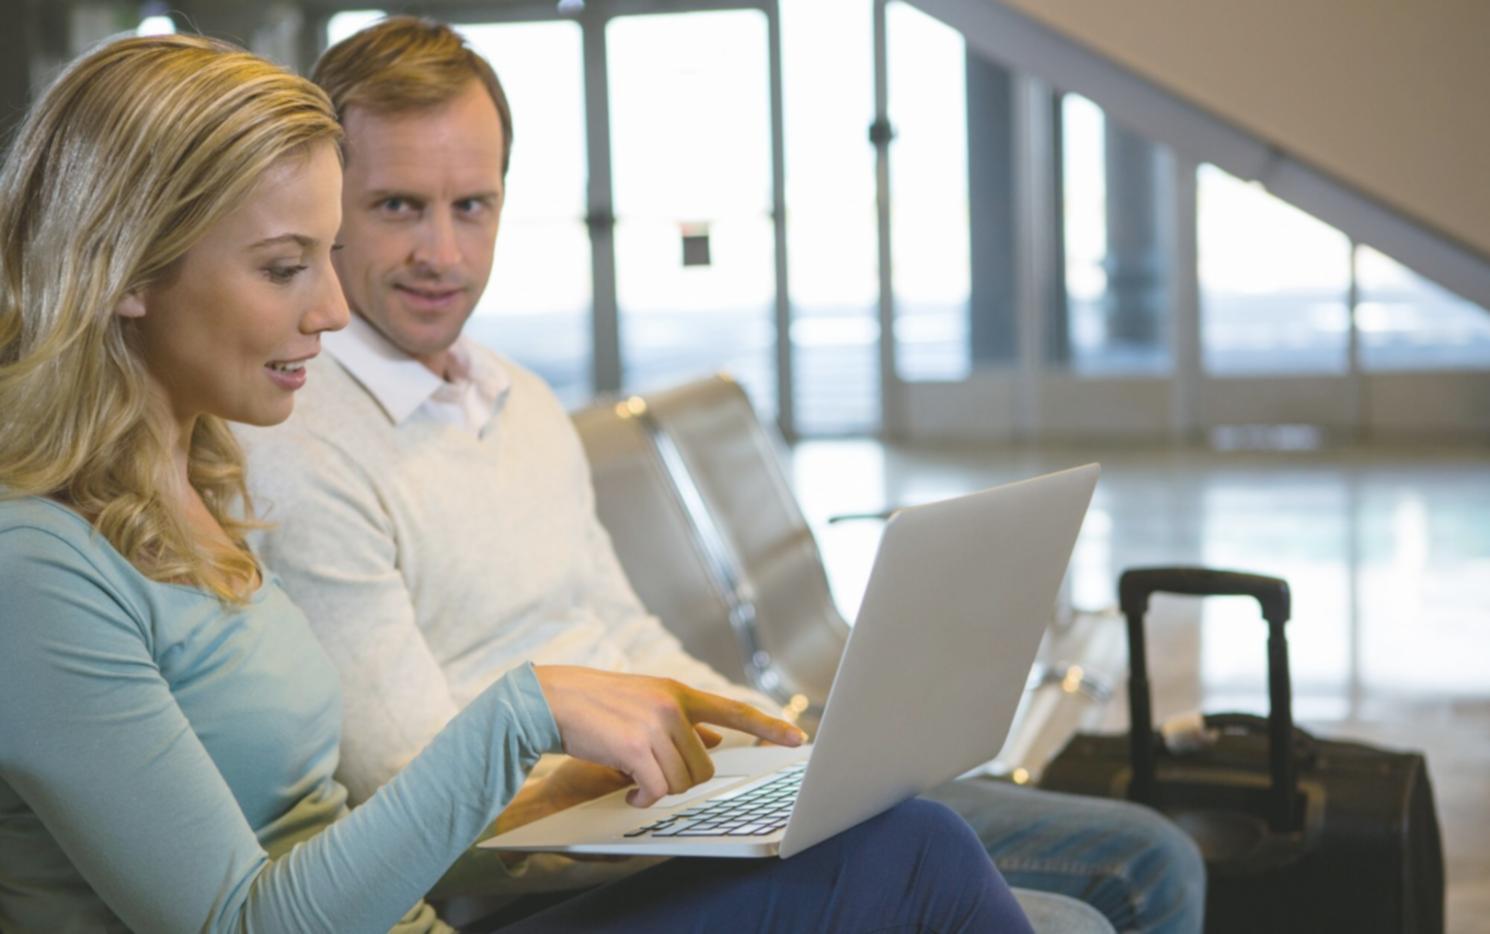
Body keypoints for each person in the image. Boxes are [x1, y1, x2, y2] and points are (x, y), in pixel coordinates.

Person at [0, 33, 1036, 934]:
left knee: (905, 847)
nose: (326, 308)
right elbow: (244, 920)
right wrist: (524, 715)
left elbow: (321, 831)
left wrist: (669, 773)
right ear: (126, 271)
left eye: (327, 256)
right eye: (283, 267)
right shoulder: (34, 568)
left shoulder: (195, 476)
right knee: (917, 859)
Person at [239, 16, 1204, 933]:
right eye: (398, 206)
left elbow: (620, 627)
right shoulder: (304, 443)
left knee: (1150, 858)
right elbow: (415, 789)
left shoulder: (515, 397)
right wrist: (681, 792)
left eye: (472, 205)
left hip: (668, 801)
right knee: (1038, 893)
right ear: (328, 209)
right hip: (552, 865)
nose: (442, 253)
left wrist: (779, 752)